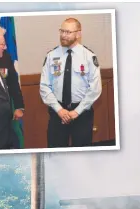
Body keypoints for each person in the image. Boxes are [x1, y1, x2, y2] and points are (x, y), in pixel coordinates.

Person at [39, 17, 102, 148]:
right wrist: (60, 110)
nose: (63, 35)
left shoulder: (89, 56)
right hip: (58, 113)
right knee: (55, 154)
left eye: (68, 32)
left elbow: (95, 89)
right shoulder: (51, 56)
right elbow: (44, 86)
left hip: (82, 113)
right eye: (62, 31)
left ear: (78, 34)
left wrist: (76, 112)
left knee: (82, 154)